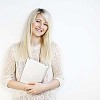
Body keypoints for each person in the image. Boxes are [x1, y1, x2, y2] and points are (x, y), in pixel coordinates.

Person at [2, 8, 63, 100]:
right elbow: (5, 79)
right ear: (30, 22)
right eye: (38, 21)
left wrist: (43, 87)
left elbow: (60, 78)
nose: (41, 26)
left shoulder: (53, 48)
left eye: (45, 24)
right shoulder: (14, 49)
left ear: (47, 28)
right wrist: (26, 87)